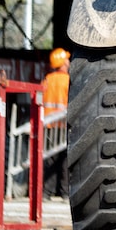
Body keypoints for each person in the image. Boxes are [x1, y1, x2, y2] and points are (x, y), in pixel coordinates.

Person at [42, 47, 71, 198]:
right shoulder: (68, 80)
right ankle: (65, 192)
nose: (68, 60)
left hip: (48, 126)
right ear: (63, 62)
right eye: (66, 58)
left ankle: (46, 192)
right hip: (64, 124)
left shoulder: (47, 79)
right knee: (65, 160)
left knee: (49, 159)